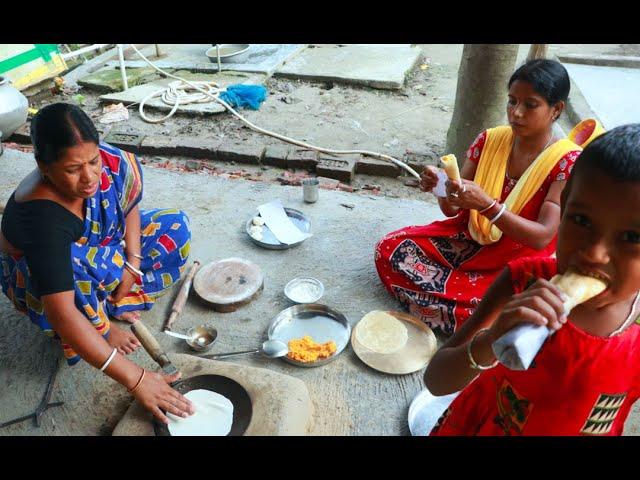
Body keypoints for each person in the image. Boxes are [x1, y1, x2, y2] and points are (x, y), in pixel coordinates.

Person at [423, 125, 640, 435]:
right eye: (581, 220)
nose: (594, 253)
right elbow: (436, 380)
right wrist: (491, 340)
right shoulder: (521, 281)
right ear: (563, 206)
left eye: (632, 237)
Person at [0, 103, 194, 423]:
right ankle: (99, 326)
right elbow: (61, 313)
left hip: (103, 248)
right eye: (73, 169)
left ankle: (113, 296)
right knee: (77, 274)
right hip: (45, 276)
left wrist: (132, 264)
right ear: (42, 165)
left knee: (175, 226)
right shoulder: (42, 217)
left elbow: (128, 203)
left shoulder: (107, 161)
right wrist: (137, 378)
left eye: (93, 161)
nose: (89, 177)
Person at [375, 59, 585, 335]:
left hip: (518, 258)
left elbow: (542, 236)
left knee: (506, 304)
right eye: (512, 101)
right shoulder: (489, 140)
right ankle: (468, 319)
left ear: (556, 109)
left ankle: (461, 314)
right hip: (468, 239)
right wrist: (441, 186)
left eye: (530, 105)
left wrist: (487, 206)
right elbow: (453, 210)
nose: (516, 113)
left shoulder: (566, 162)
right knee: (389, 249)